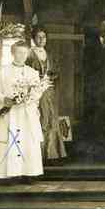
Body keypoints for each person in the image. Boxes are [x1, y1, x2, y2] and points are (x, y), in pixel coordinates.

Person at [0, 41, 44, 184]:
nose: (22, 56)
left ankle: (29, 173)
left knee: (28, 140)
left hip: (26, 112)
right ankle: (9, 175)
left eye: (24, 53)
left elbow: (37, 92)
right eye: (19, 52)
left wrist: (29, 98)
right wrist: (4, 99)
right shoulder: (3, 71)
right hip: (10, 112)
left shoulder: (32, 72)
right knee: (9, 140)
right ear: (13, 53)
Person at [26, 26, 67, 164]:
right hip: (36, 91)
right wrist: (39, 80)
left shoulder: (49, 54)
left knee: (52, 119)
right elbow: (26, 73)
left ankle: (52, 155)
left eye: (43, 37)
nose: (41, 39)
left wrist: (51, 78)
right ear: (33, 38)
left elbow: (56, 71)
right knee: (42, 119)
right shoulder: (29, 54)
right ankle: (40, 156)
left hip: (50, 91)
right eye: (38, 37)